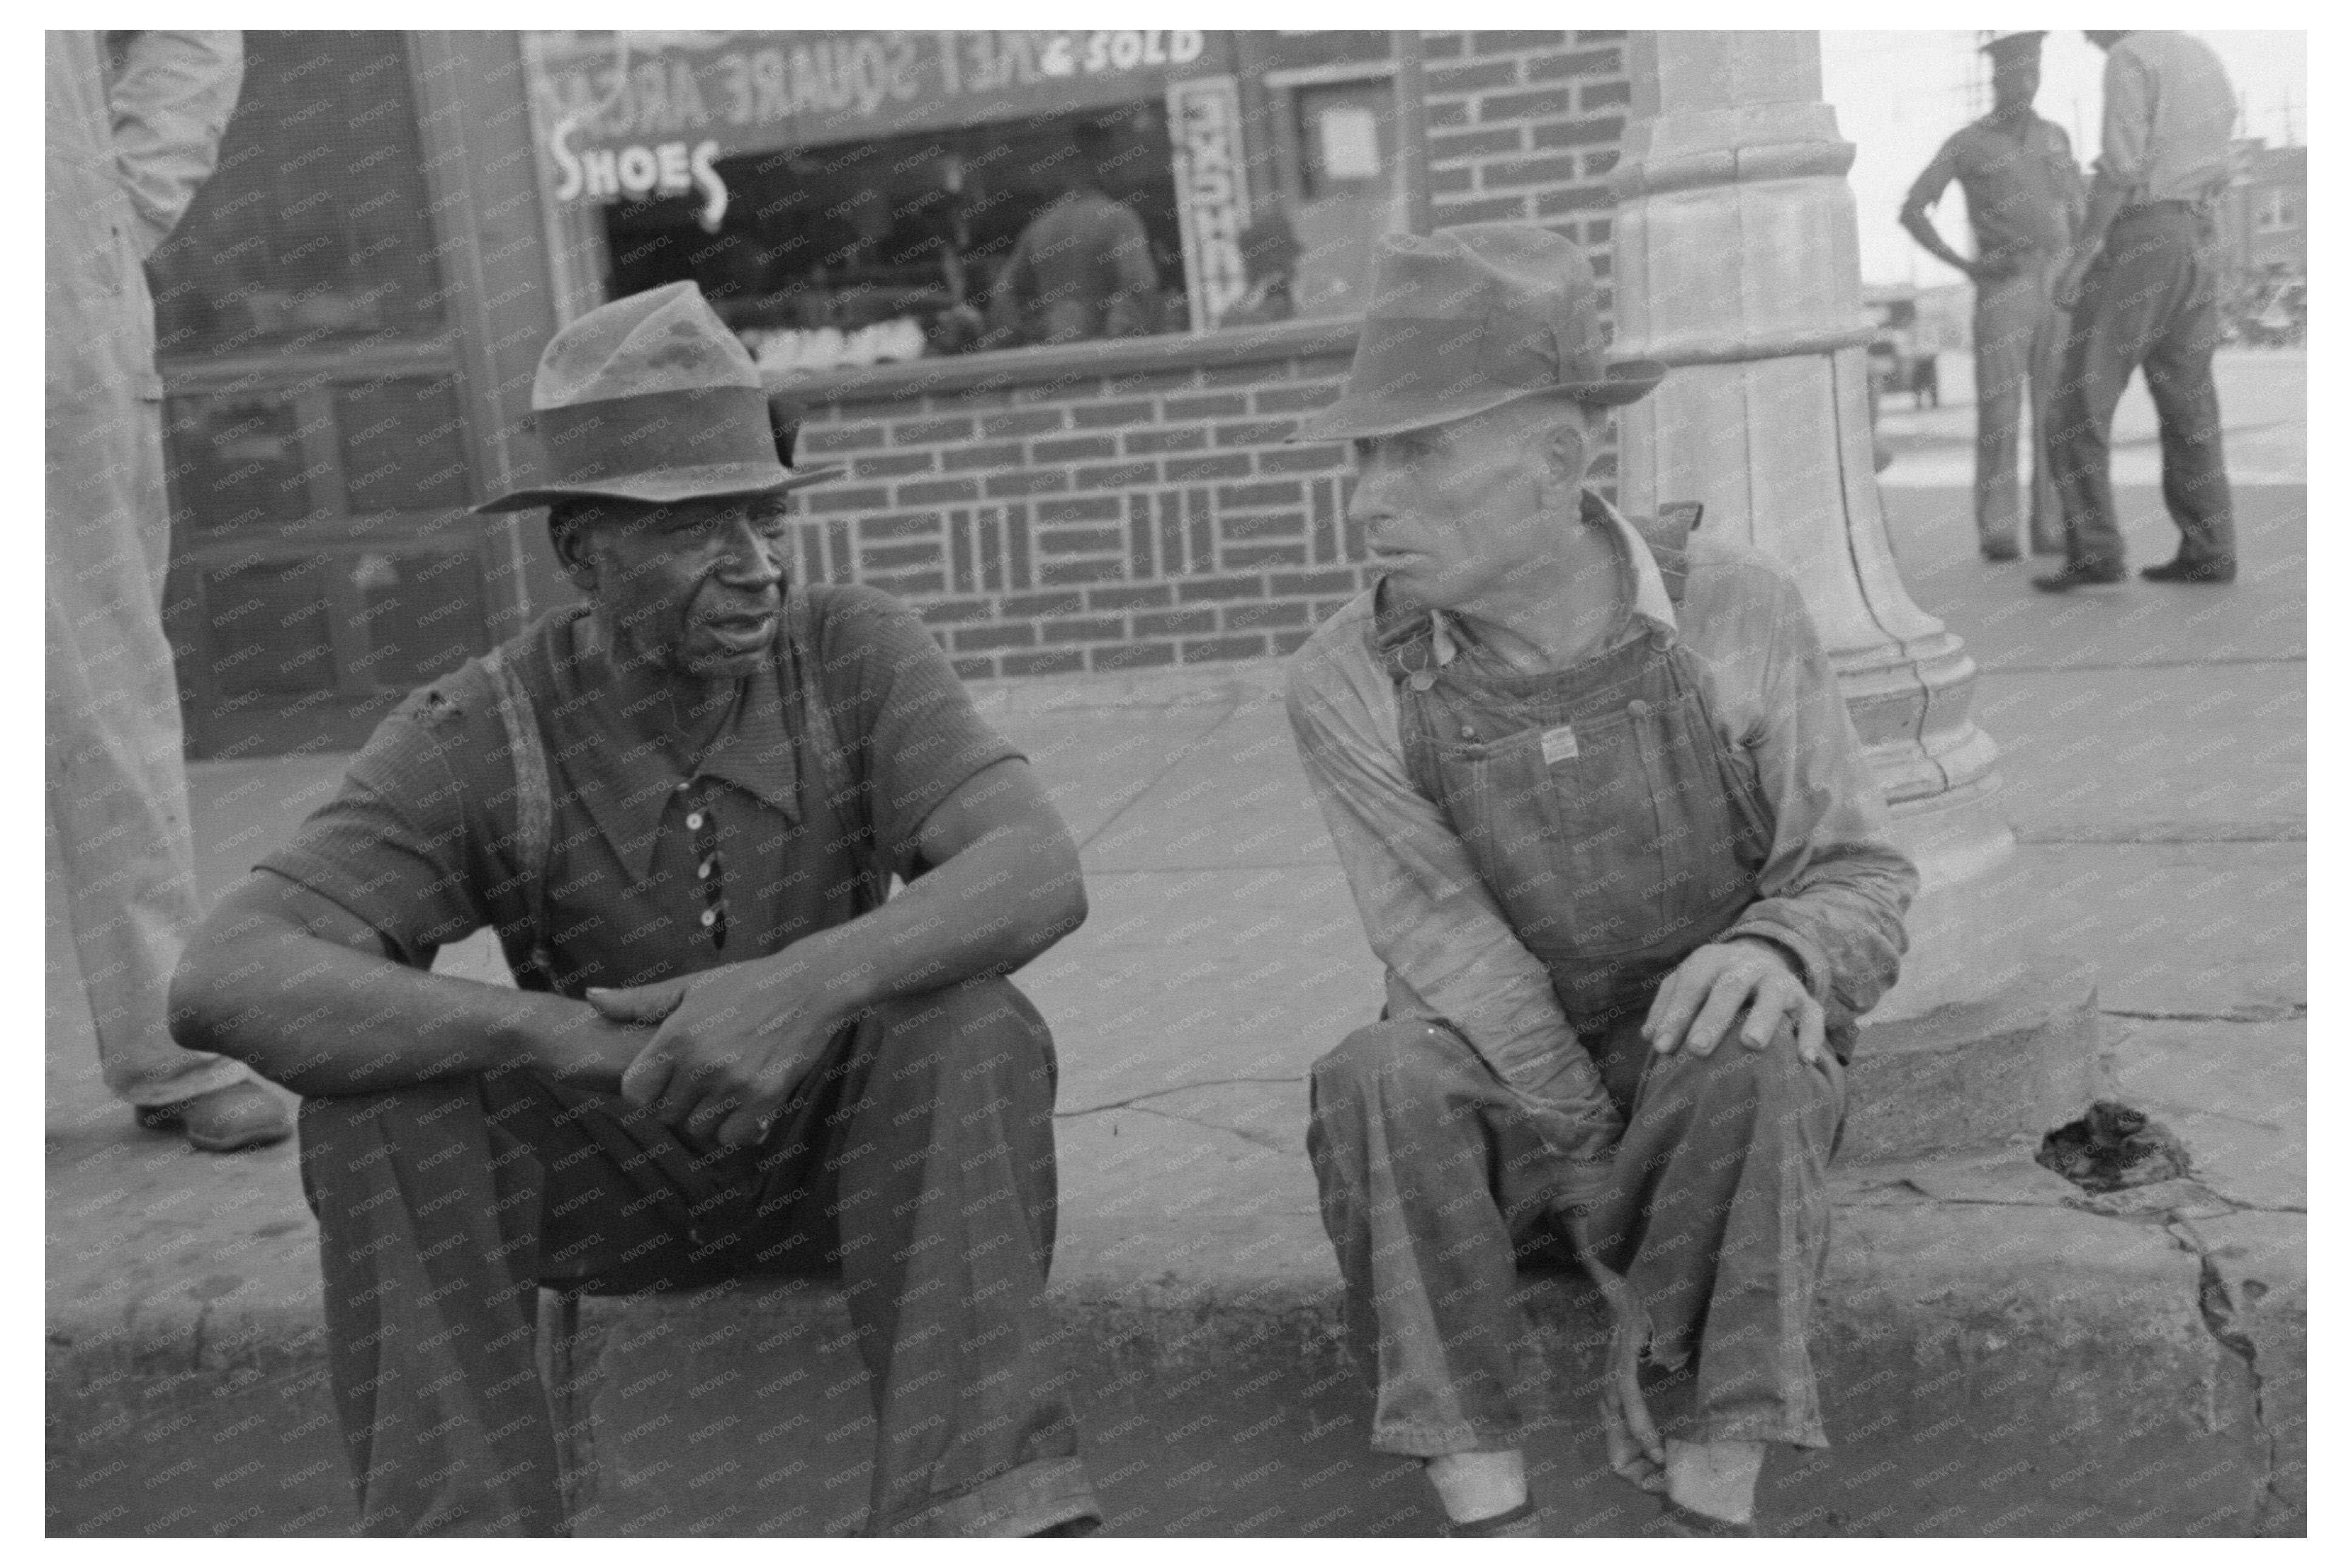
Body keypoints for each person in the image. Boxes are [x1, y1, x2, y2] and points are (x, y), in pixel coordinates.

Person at [168, 282, 1105, 1538]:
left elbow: (1035, 867)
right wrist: (559, 1040)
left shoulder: (853, 651)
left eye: (766, 519)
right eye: (693, 531)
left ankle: (987, 1518)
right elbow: (227, 977)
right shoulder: (478, 725)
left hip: (845, 1166)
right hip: (605, 1179)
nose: (755, 569)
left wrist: (802, 988)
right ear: (579, 552)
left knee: (970, 1028)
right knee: (378, 1113)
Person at [1283, 226, 1918, 1537]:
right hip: (1511, 1108)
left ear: (1558, 463)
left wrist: (1787, 950)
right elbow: (1446, 946)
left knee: (1757, 1046)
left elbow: (1858, 872)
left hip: (1712, 1108)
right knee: (1376, 1075)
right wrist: (1590, 1170)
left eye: (1419, 451)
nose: (1368, 501)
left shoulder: (1738, 609)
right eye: (1363, 456)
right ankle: (1486, 1515)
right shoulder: (1349, 676)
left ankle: (1709, 1504)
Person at [45, 31, 287, 1154]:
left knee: (101, 708)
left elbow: (193, 27)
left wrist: (107, 219)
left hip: (43, 330)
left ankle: (170, 1049)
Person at [2036, 30, 2241, 591]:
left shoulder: (2131, 57)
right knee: (2190, 405)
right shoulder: (2201, 52)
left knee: (2077, 401)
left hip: (2147, 236)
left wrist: (2082, 255)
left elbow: (2121, 169)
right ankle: (2210, 548)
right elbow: (2226, 147)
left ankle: (2097, 550)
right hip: (2201, 232)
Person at [1899, 29, 2085, 560]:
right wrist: (1967, 266)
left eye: (2034, 70)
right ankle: (1999, 531)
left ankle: (2052, 526)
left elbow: (2076, 209)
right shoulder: (1967, 143)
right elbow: (1913, 208)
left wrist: (2082, 272)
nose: (2026, 80)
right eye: (2015, 70)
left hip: (2059, 284)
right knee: (2000, 413)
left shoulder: (2056, 137)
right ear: (1996, 76)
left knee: (2057, 413)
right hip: (2005, 288)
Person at [982, 120, 1160, 347]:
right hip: (1106, 355)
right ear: (1107, 166)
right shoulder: (1120, 220)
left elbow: (1003, 297)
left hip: (1054, 354)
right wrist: (1119, 343)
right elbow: (1139, 285)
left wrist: (1033, 334)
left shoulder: (1039, 228)